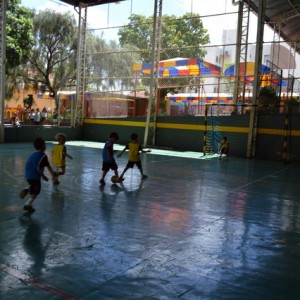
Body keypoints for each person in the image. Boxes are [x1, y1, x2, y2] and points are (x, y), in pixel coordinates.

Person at [19, 137, 58, 212]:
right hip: (34, 177)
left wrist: (43, 176)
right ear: (43, 146)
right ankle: (27, 204)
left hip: (28, 175)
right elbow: (48, 167)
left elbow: (37, 167)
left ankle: (28, 189)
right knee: (36, 191)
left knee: (34, 186)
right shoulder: (43, 156)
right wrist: (53, 176)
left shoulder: (33, 154)